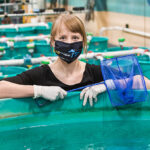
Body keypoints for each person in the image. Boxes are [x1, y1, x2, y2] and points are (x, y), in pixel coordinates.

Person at [0, 14, 150, 107]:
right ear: (53, 42)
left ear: (84, 42)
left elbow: (144, 82)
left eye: (75, 38)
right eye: (63, 38)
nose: (70, 43)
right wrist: (37, 90)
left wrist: (109, 84)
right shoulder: (40, 75)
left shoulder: (95, 72)